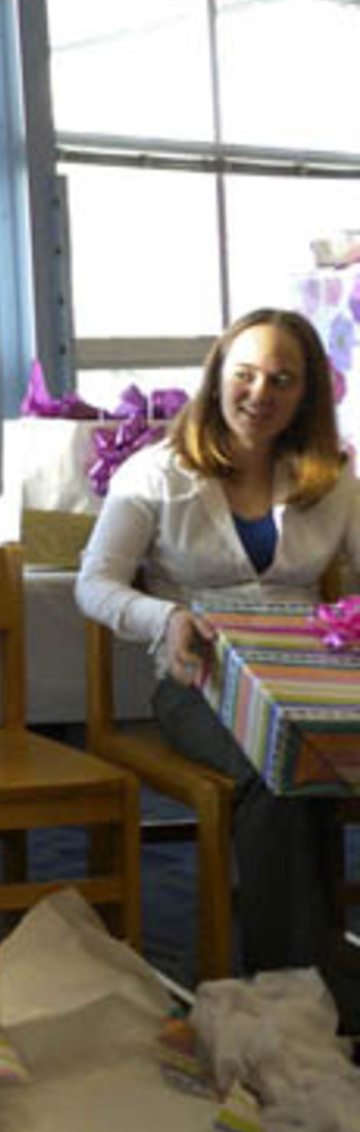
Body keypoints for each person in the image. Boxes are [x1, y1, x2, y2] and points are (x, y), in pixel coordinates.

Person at [76, 306, 360, 1029]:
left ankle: (320, 973)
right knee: (278, 773)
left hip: (310, 681)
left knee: (310, 765)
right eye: (245, 375)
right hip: (195, 683)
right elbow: (94, 584)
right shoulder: (154, 472)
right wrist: (164, 617)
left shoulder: (335, 479)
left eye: (283, 380)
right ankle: (289, 998)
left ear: (307, 395)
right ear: (217, 380)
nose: (260, 394)